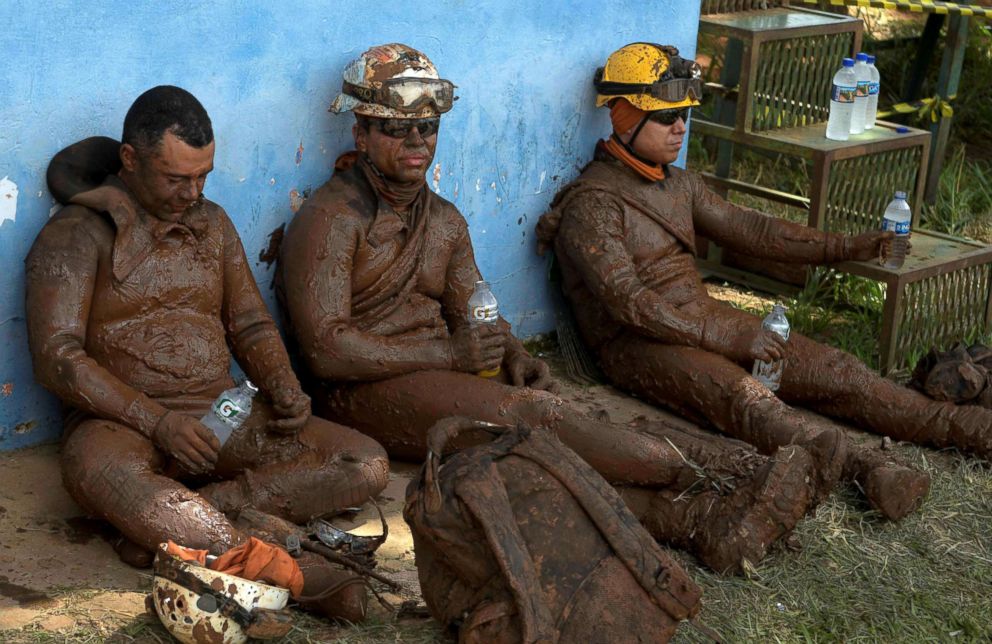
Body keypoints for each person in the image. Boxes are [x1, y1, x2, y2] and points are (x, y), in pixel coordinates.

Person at [280, 43, 830, 574]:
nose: (417, 140)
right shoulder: (333, 219)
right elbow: (327, 352)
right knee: (533, 421)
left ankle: (697, 517)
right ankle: (733, 471)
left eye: (428, 127)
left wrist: (514, 351)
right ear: (361, 131)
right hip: (361, 389)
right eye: (397, 128)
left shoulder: (443, 219)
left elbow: (478, 308)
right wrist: (450, 350)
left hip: (435, 367)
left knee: (533, 445)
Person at [535, 42, 992, 521]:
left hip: (703, 320)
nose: (680, 128)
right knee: (747, 400)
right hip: (637, 345)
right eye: (666, 116)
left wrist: (842, 247)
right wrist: (727, 336)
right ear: (624, 117)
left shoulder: (678, 184)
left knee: (838, 371)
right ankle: (867, 468)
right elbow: (628, 303)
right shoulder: (593, 204)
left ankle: (966, 428)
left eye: (685, 114)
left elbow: (755, 230)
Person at [26, 86, 388, 621]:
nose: (192, 192)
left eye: (203, 176)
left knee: (366, 463)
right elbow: (58, 358)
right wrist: (157, 421)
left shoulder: (212, 223)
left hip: (220, 412)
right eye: (176, 179)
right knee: (104, 473)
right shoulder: (75, 235)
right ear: (130, 159)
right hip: (117, 424)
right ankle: (297, 574)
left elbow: (247, 321)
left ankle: (193, 518)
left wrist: (284, 384)